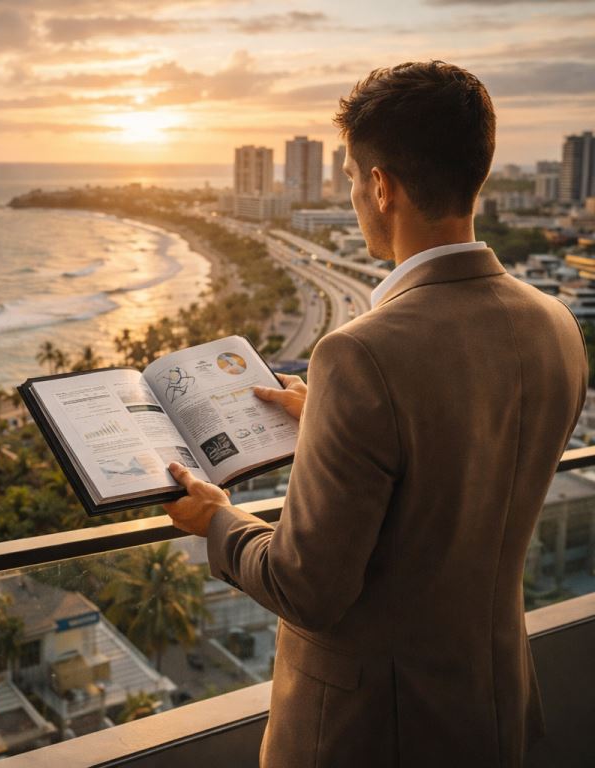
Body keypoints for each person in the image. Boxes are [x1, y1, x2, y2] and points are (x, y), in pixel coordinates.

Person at [163, 61, 587, 767]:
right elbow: (458, 460)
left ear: (381, 186)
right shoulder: (554, 324)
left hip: (371, 734)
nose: (357, 196)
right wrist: (326, 418)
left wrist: (218, 521)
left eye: (355, 180)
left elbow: (307, 587)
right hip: (491, 709)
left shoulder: (362, 355)